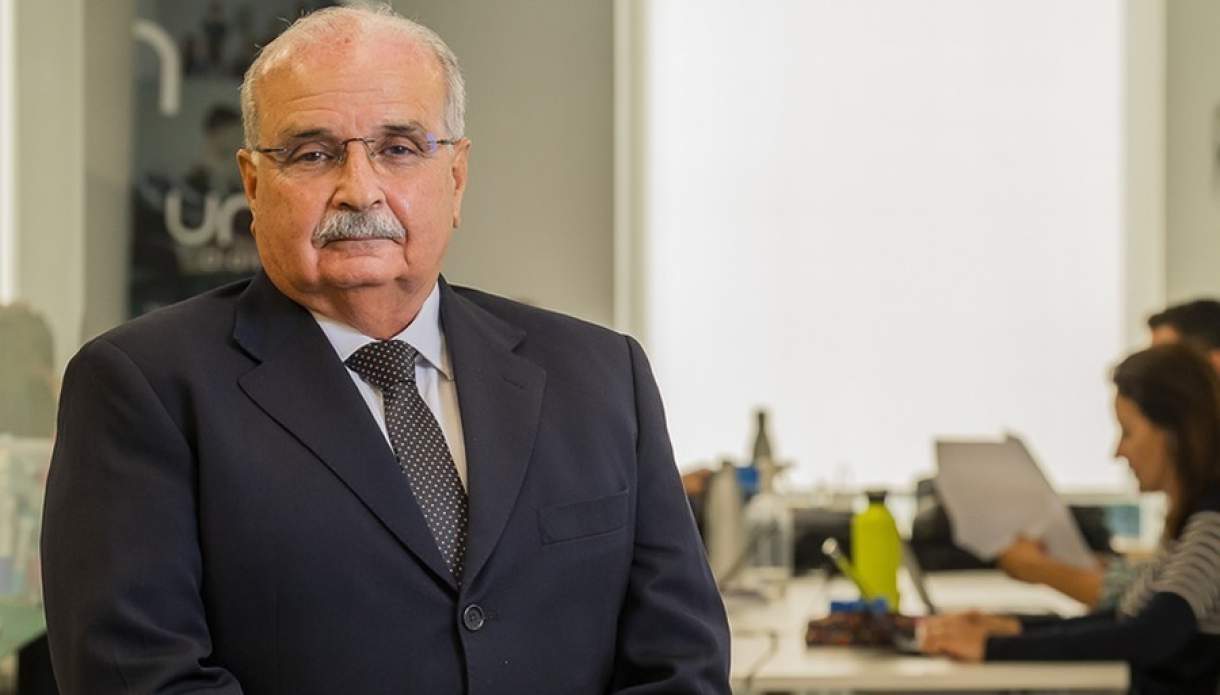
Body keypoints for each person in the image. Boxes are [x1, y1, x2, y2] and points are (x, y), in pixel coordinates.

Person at [40, 5, 730, 694]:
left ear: (455, 177)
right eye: (313, 153)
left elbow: (683, 667)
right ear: (252, 184)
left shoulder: (603, 376)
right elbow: (142, 680)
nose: (359, 189)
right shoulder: (142, 388)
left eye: (398, 148)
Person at [922, 343, 1220, 695]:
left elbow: (1150, 636)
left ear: (1172, 433)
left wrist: (992, 647)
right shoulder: (1189, 525)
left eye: (1127, 432)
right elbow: (1124, 619)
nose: (1117, 451)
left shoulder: (1211, 524)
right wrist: (1010, 629)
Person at [996, 298, 1220, 610]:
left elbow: (1160, 616)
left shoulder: (1210, 509)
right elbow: (1157, 586)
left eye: (1168, 361)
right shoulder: (1195, 498)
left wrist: (1042, 570)